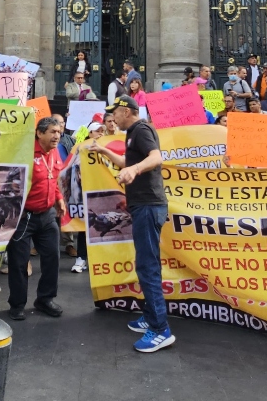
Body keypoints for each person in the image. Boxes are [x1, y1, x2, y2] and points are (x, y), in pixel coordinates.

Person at [87, 96, 174, 352]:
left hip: (148, 206)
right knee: (146, 264)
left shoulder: (141, 129)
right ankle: (150, 316)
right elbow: (130, 162)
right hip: (144, 206)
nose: (112, 118)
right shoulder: (133, 132)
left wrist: (135, 172)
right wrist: (104, 151)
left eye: (115, 113)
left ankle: (160, 329)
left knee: (148, 266)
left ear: (126, 111)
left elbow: (156, 157)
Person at [6, 116, 67, 321]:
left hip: (47, 215)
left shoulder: (55, 152)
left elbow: (54, 178)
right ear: (39, 133)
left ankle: (45, 299)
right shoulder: (25, 153)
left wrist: (59, 198)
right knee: (19, 262)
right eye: (52, 132)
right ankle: (17, 304)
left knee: (52, 257)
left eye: (58, 132)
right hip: (24, 217)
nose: (57, 136)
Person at [69, 121, 107, 273]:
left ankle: (100, 261)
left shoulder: (107, 148)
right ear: (90, 133)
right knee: (85, 226)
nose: (100, 133)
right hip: (86, 193)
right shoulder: (82, 148)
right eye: (97, 131)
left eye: (102, 131)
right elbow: (74, 168)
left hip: (103, 194)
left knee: (104, 226)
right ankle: (81, 258)